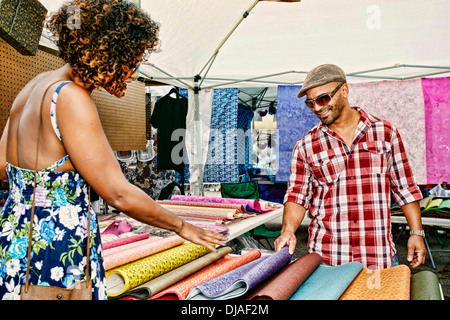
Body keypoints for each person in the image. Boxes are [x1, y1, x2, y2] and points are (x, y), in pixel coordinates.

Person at [0, 0, 225, 300]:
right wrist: (182, 226)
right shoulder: (71, 98)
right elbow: (117, 193)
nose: (133, 74)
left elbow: (3, 167)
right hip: (55, 248)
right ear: (104, 53)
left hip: (15, 239)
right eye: (132, 62)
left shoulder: (32, 87)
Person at [274, 64, 426, 270]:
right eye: (311, 103)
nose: (317, 108)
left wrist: (416, 233)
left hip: (377, 258)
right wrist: (288, 230)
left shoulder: (385, 133)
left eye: (323, 99)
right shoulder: (305, 146)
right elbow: (297, 196)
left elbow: (405, 188)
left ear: (344, 91)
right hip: (327, 261)